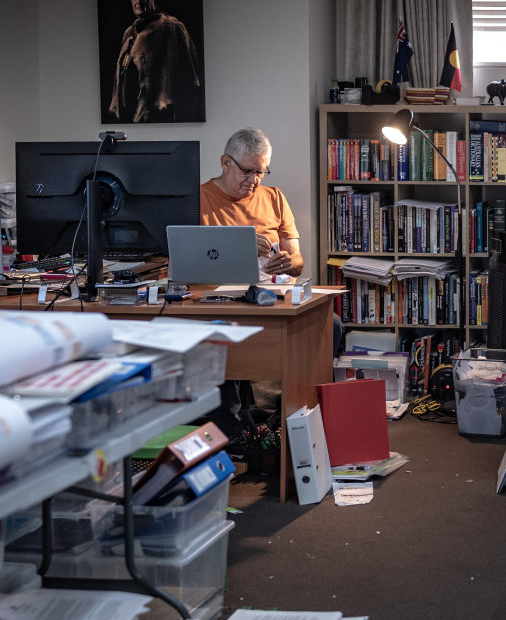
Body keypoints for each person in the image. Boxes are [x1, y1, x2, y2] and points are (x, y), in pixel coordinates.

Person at [200, 127, 343, 440]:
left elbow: (298, 261)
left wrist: (288, 264)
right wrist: (239, 247)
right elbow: (190, 264)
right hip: (219, 302)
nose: (254, 180)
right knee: (219, 336)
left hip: (272, 298)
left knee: (330, 325)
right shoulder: (198, 199)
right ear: (225, 162)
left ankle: (288, 418)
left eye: (261, 172)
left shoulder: (274, 197)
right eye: (248, 171)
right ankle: (235, 431)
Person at [109, 0, 203, 123]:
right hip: (130, 125)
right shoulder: (129, 33)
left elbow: (190, 84)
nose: (138, 1)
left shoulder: (172, 28)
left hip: (159, 123)